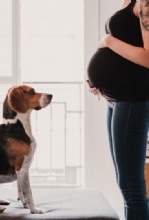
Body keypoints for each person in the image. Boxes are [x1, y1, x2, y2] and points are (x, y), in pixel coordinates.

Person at [87, 0, 149, 219]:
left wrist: (109, 41)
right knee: (125, 181)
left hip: (132, 100)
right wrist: (101, 83)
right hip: (117, 99)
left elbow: (148, 56)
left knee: (131, 184)